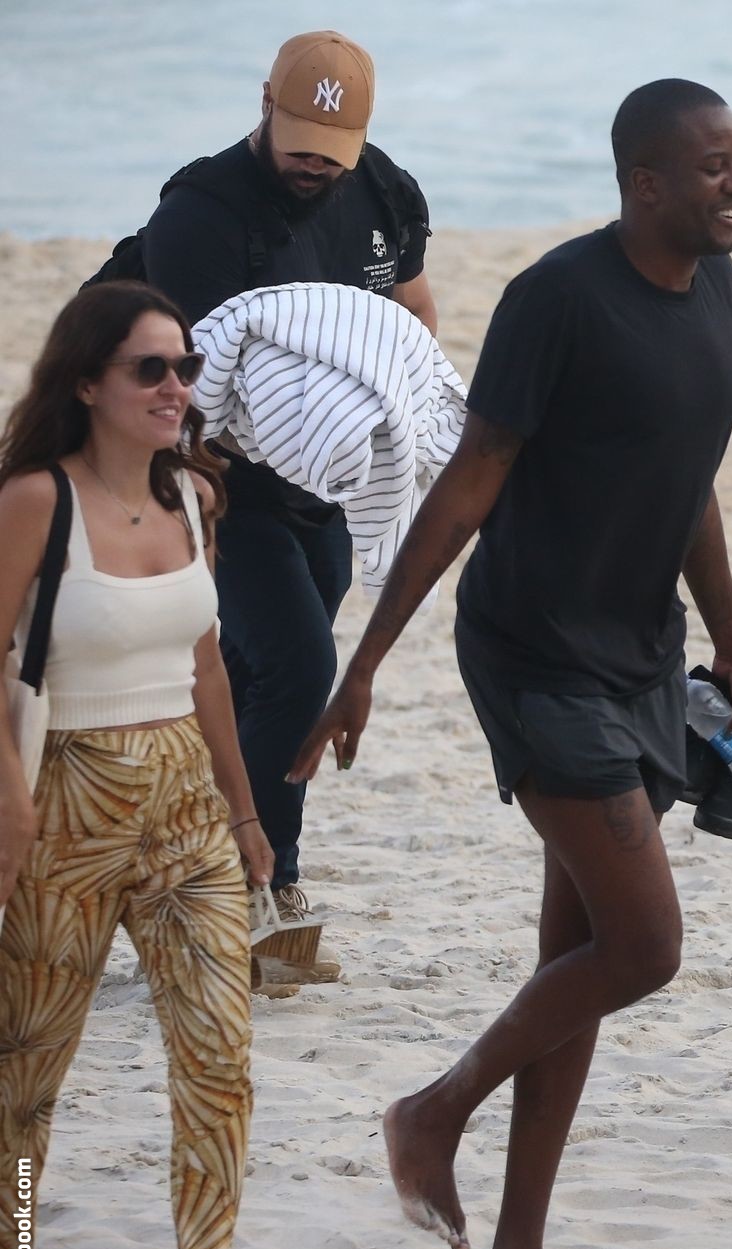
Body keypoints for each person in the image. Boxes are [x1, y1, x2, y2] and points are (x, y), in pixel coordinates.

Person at [289, 79, 732, 1249]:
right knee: (643, 944)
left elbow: (690, 474)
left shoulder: (716, 285)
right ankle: (432, 1112)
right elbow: (472, 478)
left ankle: (518, 1246)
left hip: (641, 647)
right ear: (643, 182)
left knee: (580, 948)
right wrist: (365, 659)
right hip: (536, 654)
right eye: (713, 166)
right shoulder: (557, 299)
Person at [0, 282, 288, 1249]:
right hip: (65, 802)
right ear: (87, 383)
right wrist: (13, 797)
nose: (176, 388)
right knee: (27, 1068)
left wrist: (246, 812)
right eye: (150, 369)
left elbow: (207, 665)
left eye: (186, 368)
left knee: (219, 1053)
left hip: (184, 809)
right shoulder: (35, 499)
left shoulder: (194, 498)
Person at [137, 30, 435, 933]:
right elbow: (187, 384)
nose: (316, 162)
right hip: (220, 483)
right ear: (265, 102)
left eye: (334, 150)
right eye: (301, 140)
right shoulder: (201, 213)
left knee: (246, 676)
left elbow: (413, 309)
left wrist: (393, 416)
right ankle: (266, 886)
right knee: (302, 669)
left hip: (331, 483)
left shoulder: (385, 192)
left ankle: (183, 873)